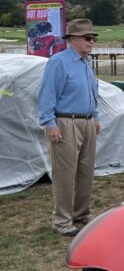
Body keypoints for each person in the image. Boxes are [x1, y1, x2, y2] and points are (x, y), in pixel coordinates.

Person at [38, 18, 101, 237]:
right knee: (65, 174)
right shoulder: (58, 62)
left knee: (86, 171)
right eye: (87, 38)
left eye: (93, 38)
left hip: (86, 122)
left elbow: (93, 92)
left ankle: (81, 214)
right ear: (73, 39)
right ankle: (62, 220)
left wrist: (95, 116)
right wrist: (49, 123)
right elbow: (47, 95)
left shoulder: (85, 63)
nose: (91, 42)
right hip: (65, 122)